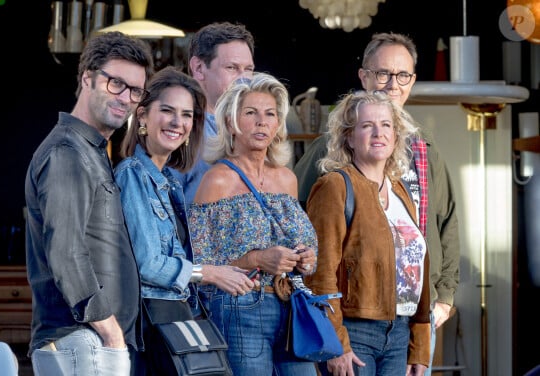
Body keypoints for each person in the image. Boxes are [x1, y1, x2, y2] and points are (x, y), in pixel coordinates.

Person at [294, 32, 460, 374]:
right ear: (364, 76)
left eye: (403, 76)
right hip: (355, 318)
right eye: (383, 73)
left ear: (412, 80)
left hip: (411, 319)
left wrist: (444, 296)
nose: (392, 84)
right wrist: (332, 331)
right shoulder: (331, 152)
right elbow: (307, 234)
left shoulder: (424, 150)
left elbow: (446, 223)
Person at [24, 31, 154, 376]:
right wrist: (111, 334)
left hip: (91, 343)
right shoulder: (67, 153)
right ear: (87, 78)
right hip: (83, 343)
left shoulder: (90, 151)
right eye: (115, 83)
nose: (125, 98)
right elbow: (66, 253)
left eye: (135, 91)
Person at [114, 66, 255, 376]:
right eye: (167, 111)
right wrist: (210, 273)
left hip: (177, 314)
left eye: (187, 114)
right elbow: (148, 264)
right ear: (142, 116)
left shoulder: (169, 181)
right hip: (151, 322)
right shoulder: (132, 175)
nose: (178, 122)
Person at [188, 73, 318, 376]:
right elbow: (201, 266)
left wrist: (305, 257)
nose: (262, 122)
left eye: (270, 114)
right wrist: (258, 259)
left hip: (291, 307)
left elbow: (304, 243)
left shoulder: (287, 179)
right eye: (251, 113)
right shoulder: (217, 180)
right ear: (232, 123)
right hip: (239, 309)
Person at [305, 90, 431, 376]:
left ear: (396, 136)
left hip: (400, 333)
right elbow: (318, 273)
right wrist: (335, 343)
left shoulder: (402, 192)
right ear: (348, 137)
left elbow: (418, 266)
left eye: (386, 125)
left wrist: (419, 345)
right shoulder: (335, 186)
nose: (379, 133)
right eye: (366, 125)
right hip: (354, 331)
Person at [170, 21, 256, 205]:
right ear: (199, 68)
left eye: (248, 69)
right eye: (232, 68)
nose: (243, 79)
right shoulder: (177, 129)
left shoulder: (253, 127)